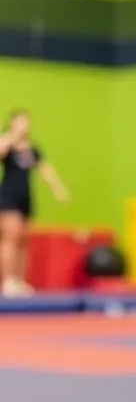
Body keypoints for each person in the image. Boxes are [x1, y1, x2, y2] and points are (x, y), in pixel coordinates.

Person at [0, 109, 70, 298]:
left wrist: (58, 189)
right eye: (20, 121)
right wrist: (12, 137)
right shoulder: (7, 143)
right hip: (8, 196)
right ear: (13, 123)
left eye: (26, 122)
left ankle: (19, 281)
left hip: (26, 198)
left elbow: (45, 170)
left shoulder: (32, 149)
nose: (24, 125)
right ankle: (8, 280)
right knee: (10, 237)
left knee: (23, 240)